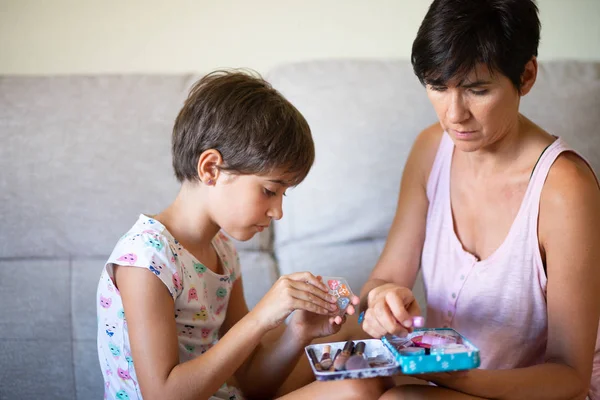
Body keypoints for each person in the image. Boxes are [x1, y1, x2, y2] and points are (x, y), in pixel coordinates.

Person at [357, 0, 600, 399]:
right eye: (438, 87)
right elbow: (382, 281)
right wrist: (382, 301)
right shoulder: (430, 149)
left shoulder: (565, 189)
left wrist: (459, 379)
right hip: (447, 383)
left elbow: (568, 374)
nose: (454, 115)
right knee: (352, 384)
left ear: (526, 75)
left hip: (542, 391)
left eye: (477, 90)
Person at [96, 70, 382, 400]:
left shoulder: (223, 252)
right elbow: (163, 395)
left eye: (282, 195)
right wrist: (261, 317)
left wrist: (298, 333)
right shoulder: (146, 259)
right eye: (269, 190)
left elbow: (251, 383)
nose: (278, 213)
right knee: (357, 390)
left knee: (354, 337)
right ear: (211, 169)